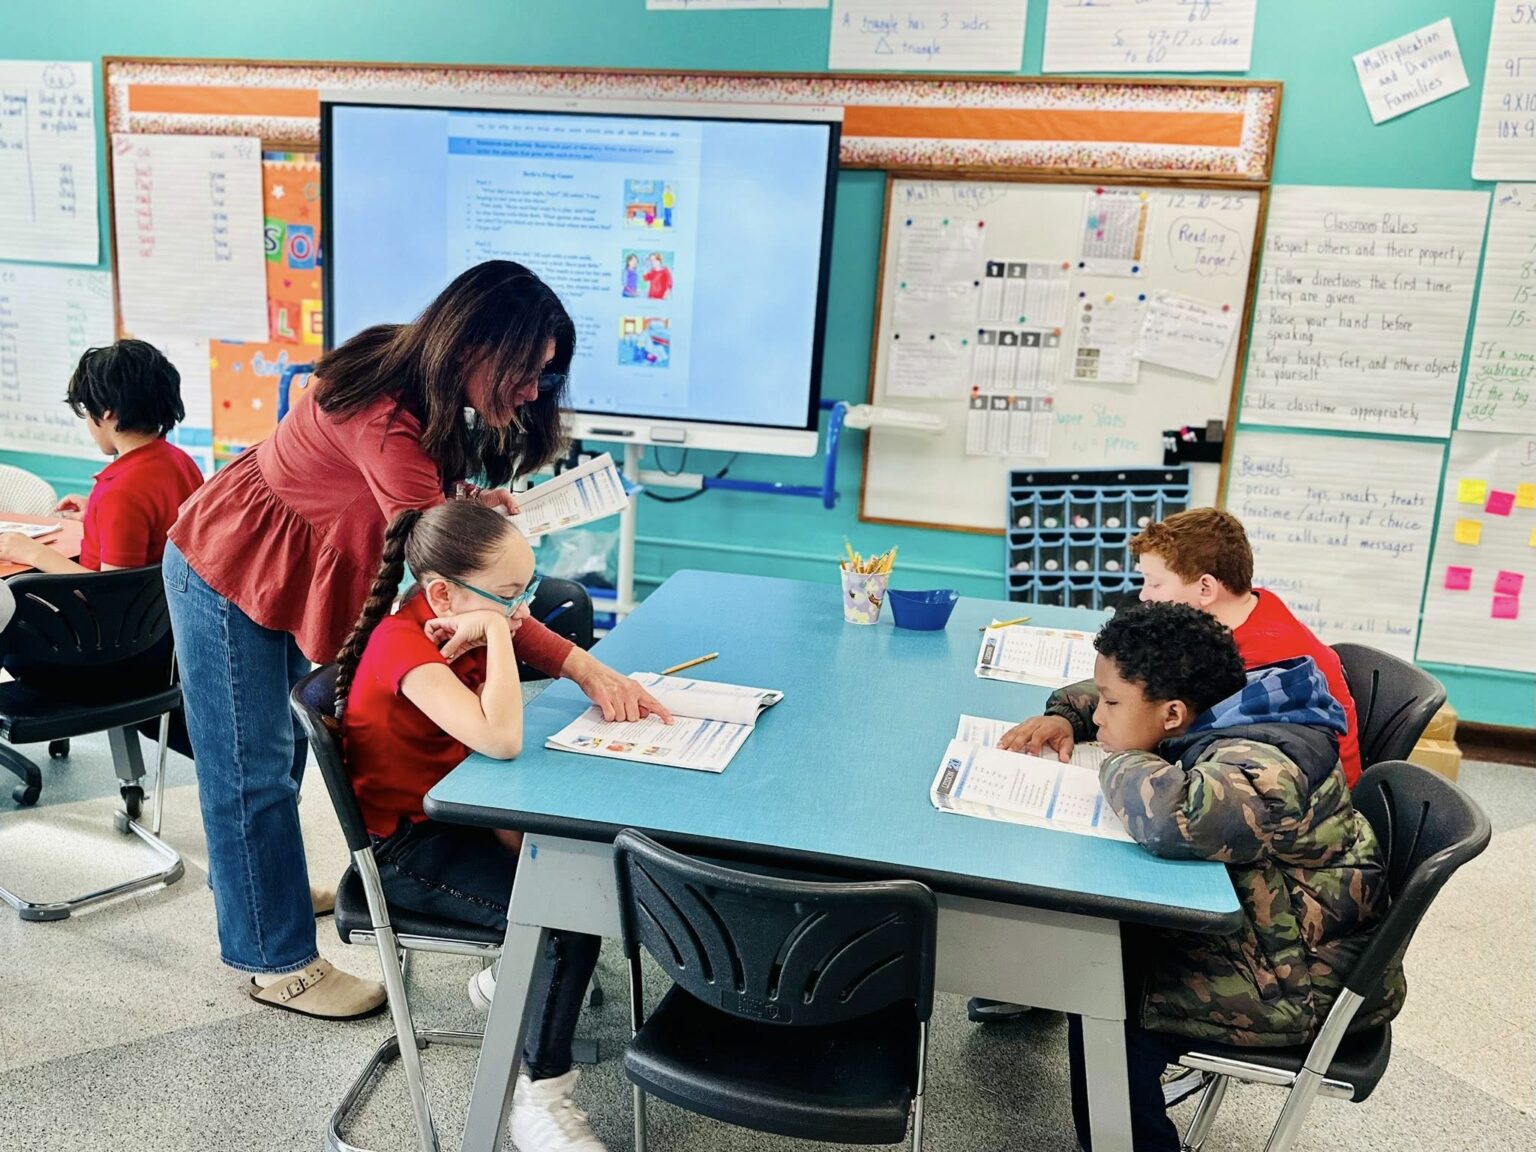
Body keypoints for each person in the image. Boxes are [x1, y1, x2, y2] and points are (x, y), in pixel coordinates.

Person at [163, 261, 671, 1021]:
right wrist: (582, 666)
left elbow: (409, 510)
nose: (533, 393)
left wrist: (462, 501)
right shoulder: (382, 409)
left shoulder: (421, 378)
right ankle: (274, 960)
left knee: (277, 762)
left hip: (299, 551)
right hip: (229, 563)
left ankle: (257, 884)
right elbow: (464, 583)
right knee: (252, 769)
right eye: (527, 372)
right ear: (477, 345)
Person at [1059, 603, 1402, 1152]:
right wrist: (1065, 714)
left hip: (1297, 982)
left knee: (1104, 1001)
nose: (1099, 715)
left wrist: (1117, 758)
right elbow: (1122, 687)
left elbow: (1177, 817)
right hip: (1272, 937)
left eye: (1110, 703)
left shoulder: (1262, 763)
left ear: (1173, 714)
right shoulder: (1227, 701)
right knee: (1095, 960)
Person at [338, 501, 606, 1151]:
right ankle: (539, 1103)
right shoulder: (407, 649)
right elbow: (502, 738)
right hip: (402, 849)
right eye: (511, 595)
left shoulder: (454, 621)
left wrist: (494, 623)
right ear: (441, 592)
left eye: (529, 590)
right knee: (565, 920)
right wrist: (497, 636)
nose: (522, 611)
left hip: (456, 813)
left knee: (583, 874)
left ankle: (506, 981)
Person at [1002, 508, 1362, 785]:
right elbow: (1143, 691)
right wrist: (1067, 717)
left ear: (1206, 589)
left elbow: (1156, 718)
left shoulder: (1257, 659)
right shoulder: (1252, 607)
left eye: (1155, 584)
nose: (1144, 595)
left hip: (1293, 795)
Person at [0, 340, 203, 576]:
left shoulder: (120, 491)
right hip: (166, 608)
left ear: (108, 412)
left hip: (99, 610)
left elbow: (114, 592)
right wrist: (97, 516)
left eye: (87, 408)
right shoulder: (180, 461)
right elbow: (155, 528)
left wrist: (33, 553)